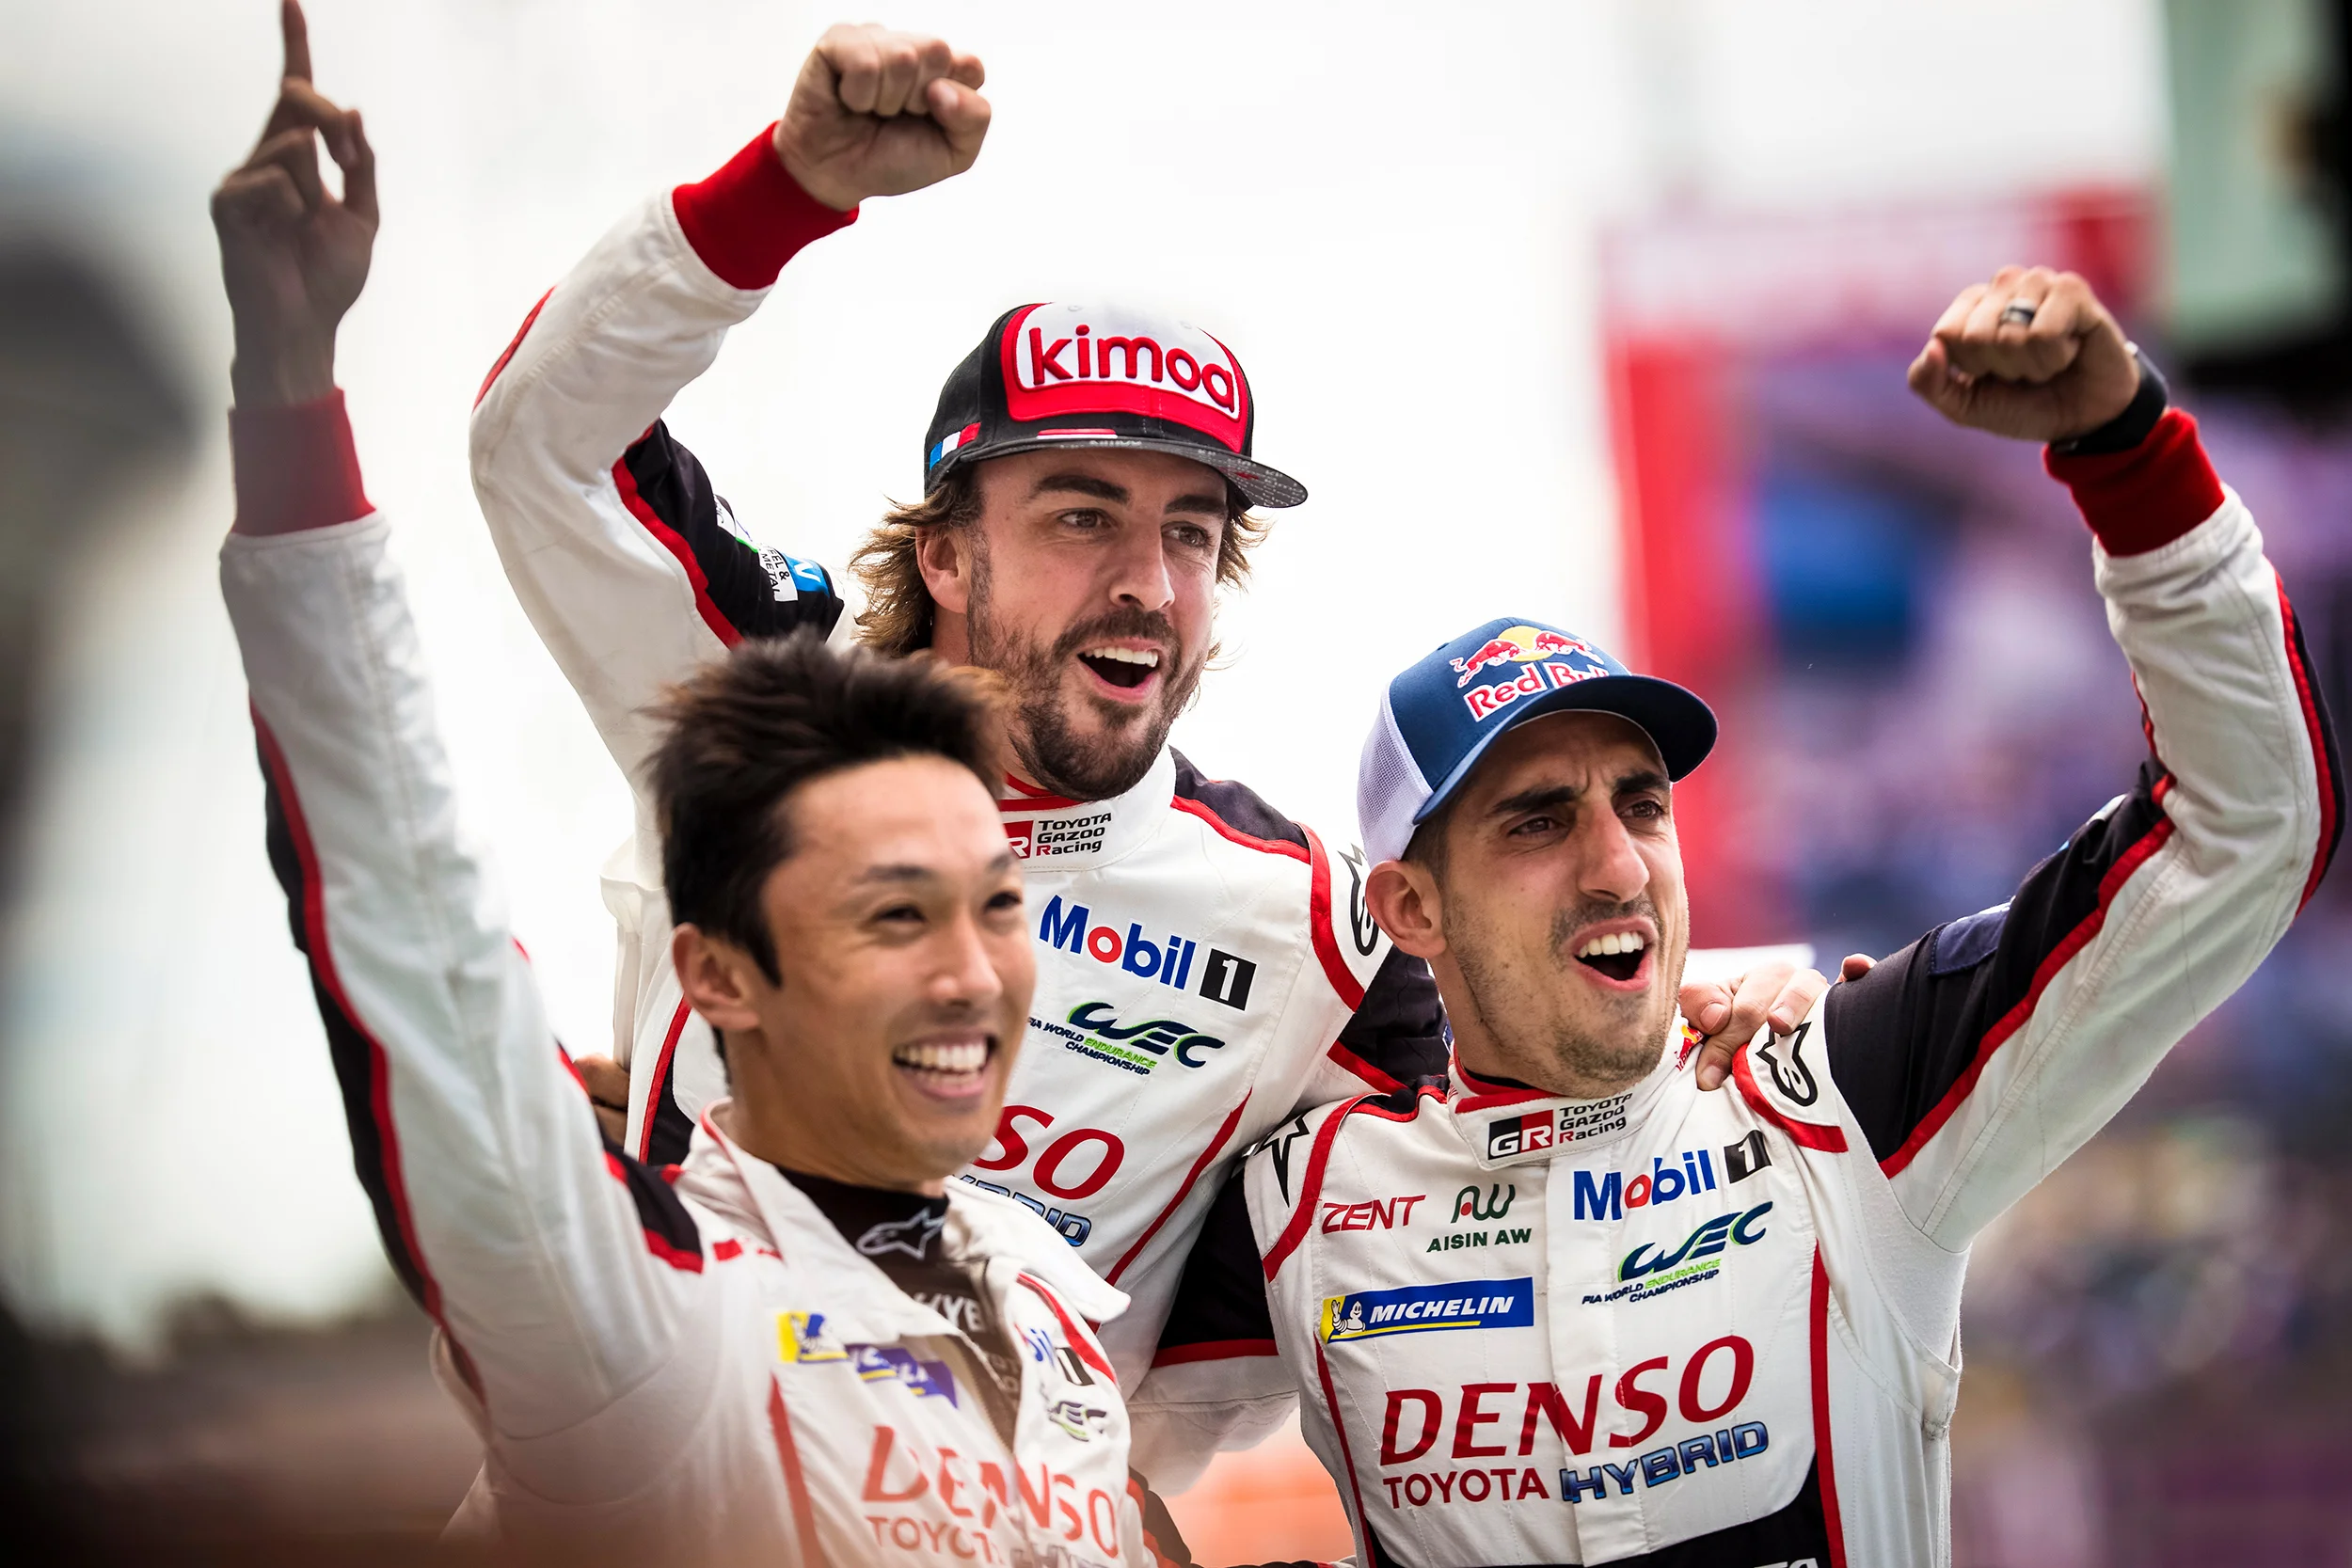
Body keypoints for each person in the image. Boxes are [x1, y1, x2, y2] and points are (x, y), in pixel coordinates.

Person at [466, 21, 1828, 1434]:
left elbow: (1508, 1108)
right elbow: (538, 444)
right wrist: (788, 186)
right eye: (1079, 516)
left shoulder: (1309, 924)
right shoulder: (768, 704)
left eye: (1191, 529)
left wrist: (1715, 1028)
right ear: (943, 555)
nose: (1146, 581)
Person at [1146, 266, 2342, 1561]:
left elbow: (2243, 828)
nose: (1617, 864)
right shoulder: (1303, 1201)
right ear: (1411, 905)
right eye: (1538, 820)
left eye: (1643, 803)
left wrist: (2128, 454)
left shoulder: (1851, 1091)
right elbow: (1024, 1383)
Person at [213, 8, 1178, 1560]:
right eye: (891, 916)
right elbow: (412, 922)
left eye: (997, 906)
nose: (972, 972)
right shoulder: (635, 1314)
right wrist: (287, 394)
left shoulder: (1048, 1315)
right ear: (715, 972)